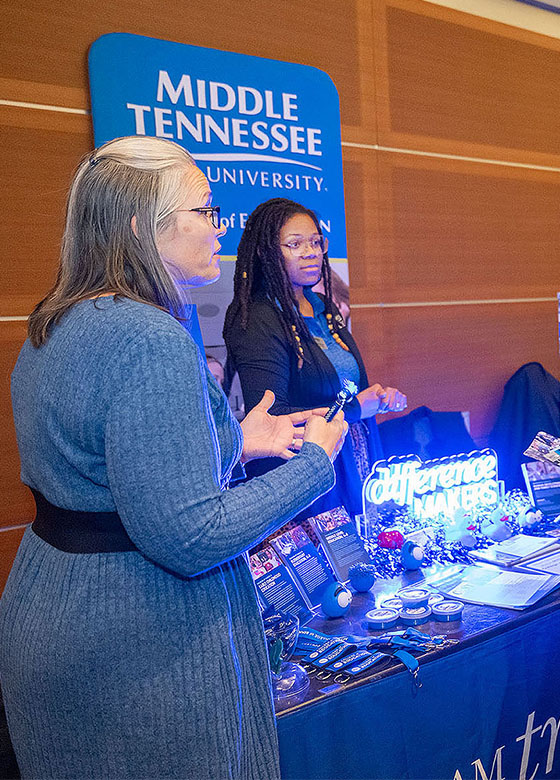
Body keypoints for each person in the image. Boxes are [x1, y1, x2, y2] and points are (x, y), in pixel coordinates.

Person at [0, 137, 349, 778]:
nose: (220, 229)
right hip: (141, 646)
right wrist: (314, 466)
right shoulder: (148, 337)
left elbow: (105, 459)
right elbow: (187, 534)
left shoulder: (58, 319)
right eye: (206, 211)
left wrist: (236, 439)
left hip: (54, 615)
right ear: (142, 227)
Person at [225, 198, 404, 521]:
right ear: (267, 252)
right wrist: (356, 409)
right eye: (295, 244)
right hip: (305, 480)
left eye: (315, 242)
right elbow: (270, 415)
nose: (311, 252)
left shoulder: (322, 305)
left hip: (356, 460)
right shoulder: (257, 318)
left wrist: (374, 398)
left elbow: (343, 382)